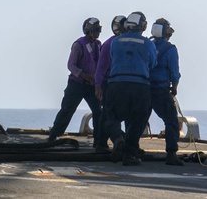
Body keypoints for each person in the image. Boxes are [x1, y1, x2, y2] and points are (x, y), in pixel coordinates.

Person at [104, 11, 156, 166]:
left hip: (116, 84)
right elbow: (153, 63)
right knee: (138, 120)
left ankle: (118, 138)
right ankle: (129, 154)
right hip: (140, 86)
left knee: (110, 116)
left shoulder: (115, 41)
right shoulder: (147, 43)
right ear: (143, 26)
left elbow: (113, 58)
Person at [47, 17, 105, 150]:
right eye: (96, 30)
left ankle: (99, 140)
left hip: (91, 85)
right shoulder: (78, 45)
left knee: (98, 111)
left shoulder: (98, 45)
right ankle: (53, 135)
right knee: (67, 109)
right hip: (77, 84)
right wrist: (83, 74)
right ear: (89, 31)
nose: (98, 33)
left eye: (99, 30)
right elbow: (71, 65)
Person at [149, 17, 184, 166]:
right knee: (171, 121)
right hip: (161, 90)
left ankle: (131, 150)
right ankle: (171, 153)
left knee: (138, 119)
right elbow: (174, 72)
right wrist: (174, 87)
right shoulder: (170, 50)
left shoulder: (147, 46)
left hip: (144, 88)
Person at [93, 15, 126, 154]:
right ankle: (104, 143)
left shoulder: (115, 43)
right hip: (109, 83)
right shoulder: (109, 44)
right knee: (107, 114)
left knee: (110, 114)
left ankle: (116, 142)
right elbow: (101, 67)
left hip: (119, 83)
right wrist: (98, 85)